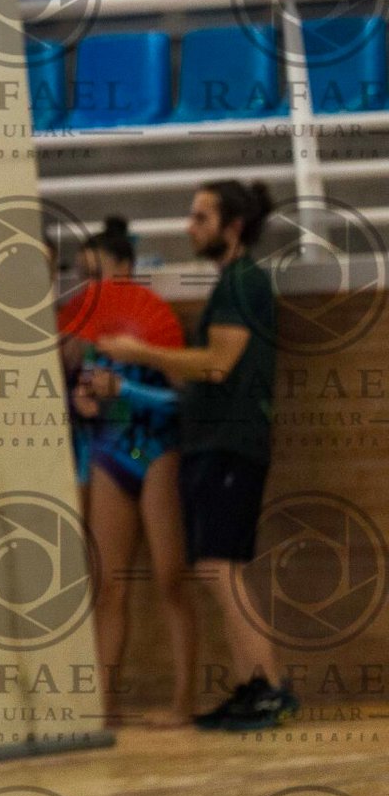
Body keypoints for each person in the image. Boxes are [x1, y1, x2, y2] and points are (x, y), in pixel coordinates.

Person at [98, 179, 295, 733]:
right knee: (220, 566)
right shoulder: (231, 283)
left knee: (218, 567)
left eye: (201, 217)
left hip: (232, 444)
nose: (189, 226)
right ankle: (254, 686)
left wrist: (142, 353)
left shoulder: (243, 282)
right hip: (216, 443)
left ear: (233, 226)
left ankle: (268, 687)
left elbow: (216, 364)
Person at [61, 219, 196, 726]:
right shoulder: (83, 329)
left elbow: (179, 400)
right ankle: (106, 704)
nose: (90, 283)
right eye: (83, 274)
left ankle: (184, 701)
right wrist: (82, 401)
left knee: (170, 578)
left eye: (98, 272)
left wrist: (125, 391)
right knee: (109, 585)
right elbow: (87, 401)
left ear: (125, 268)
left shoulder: (155, 321)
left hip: (155, 449)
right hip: (110, 453)